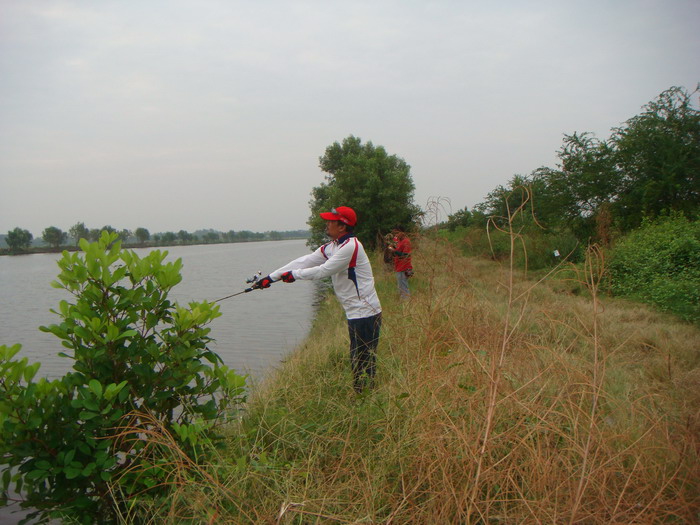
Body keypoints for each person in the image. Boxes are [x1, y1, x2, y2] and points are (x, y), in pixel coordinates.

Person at [255, 206, 382, 393]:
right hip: (355, 312)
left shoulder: (351, 247)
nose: (327, 224)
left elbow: (324, 270)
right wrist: (272, 277)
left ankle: (365, 398)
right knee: (357, 358)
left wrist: (293, 275)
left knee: (363, 360)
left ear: (342, 226)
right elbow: (305, 261)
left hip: (366, 312)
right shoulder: (333, 246)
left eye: (331, 221)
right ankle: (362, 396)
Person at [388, 226, 413, 299]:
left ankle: (406, 300)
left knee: (403, 285)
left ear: (402, 233)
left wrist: (394, 251)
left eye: (397, 233)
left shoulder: (406, 242)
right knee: (400, 285)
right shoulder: (399, 241)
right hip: (398, 266)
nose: (396, 235)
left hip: (404, 266)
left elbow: (405, 255)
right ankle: (402, 300)